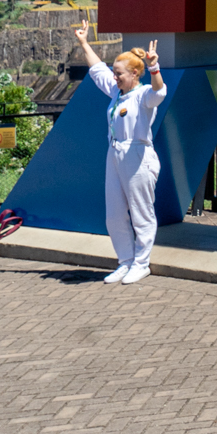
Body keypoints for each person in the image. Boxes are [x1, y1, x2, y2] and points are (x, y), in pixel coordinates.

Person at [73, 21, 167, 284]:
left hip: (137, 155)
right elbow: (97, 70)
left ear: (135, 74)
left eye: (119, 73)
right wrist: (84, 42)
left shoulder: (144, 95)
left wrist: (154, 67)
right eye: (114, 73)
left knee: (141, 212)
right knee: (114, 214)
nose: (115, 77)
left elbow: (159, 91)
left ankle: (141, 263)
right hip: (114, 154)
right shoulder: (117, 91)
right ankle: (125, 261)